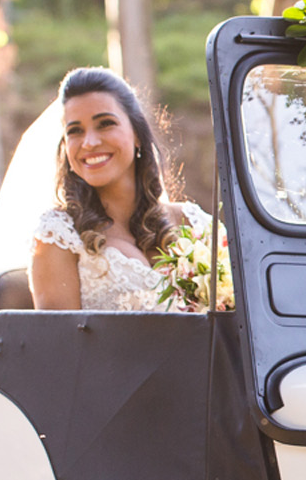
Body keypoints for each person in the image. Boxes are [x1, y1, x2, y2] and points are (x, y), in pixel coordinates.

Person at [29, 67, 216, 311]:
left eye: (105, 124)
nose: (90, 142)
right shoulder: (58, 236)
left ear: (137, 134)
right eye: (75, 131)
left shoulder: (192, 223)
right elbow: (59, 346)